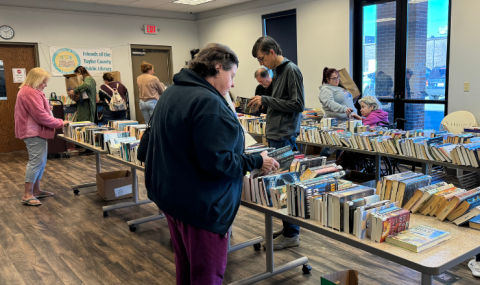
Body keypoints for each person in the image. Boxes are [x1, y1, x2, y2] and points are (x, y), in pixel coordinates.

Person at [144, 43, 279, 285]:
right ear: (218, 68)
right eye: (232, 75)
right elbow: (218, 162)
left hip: (173, 197)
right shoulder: (208, 103)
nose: (233, 84)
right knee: (207, 276)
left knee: (186, 270)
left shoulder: (173, 92)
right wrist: (257, 160)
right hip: (201, 205)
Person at [248, 36, 305, 250]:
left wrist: (266, 100)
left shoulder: (291, 70)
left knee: (285, 183)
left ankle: (292, 233)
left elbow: (298, 104)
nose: (261, 63)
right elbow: (283, 102)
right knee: (278, 184)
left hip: (284, 134)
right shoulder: (279, 72)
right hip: (276, 132)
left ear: (272, 52)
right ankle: (288, 228)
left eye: (262, 58)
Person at [14, 68, 69, 206]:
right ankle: (27, 194)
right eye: (44, 82)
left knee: (41, 161)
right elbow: (40, 116)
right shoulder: (29, 92)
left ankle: (36, 190)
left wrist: (47, 108)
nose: (45, 85)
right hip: (33, 132)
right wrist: (60, 122)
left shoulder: (32, 91)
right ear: (37, 80)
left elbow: (39, 111)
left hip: (36, 131)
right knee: (36, 161)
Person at [318, 67, 357, 157]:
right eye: (334, 78)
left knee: (343, 146)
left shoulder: (339, 88)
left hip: (346, 122)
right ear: (327, 79)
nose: (337, 80)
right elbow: (329, 103)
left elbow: (345, 101)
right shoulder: (326, 89)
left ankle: (340, 165)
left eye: (338, 77)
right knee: (331, 147)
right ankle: (319, 164)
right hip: (336, 123)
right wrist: (344, 109)